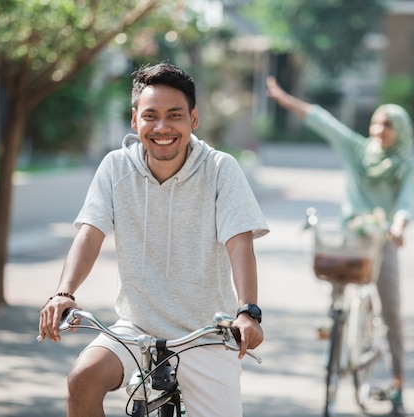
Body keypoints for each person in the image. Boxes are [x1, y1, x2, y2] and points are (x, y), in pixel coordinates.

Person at [38, 63, 270, 417]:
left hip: (206, 335)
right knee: (81, 379)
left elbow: (240, 244)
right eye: (151, 116)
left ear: (194, 119)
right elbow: (90, 233)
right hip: (135, 329)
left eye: (174, 115)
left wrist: (247, 311)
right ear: (135, 121)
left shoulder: (221, 169)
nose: (162, 128)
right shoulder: (116, 167)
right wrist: (63, 292)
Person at [266, 76, 414, 416]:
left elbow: (406, 202)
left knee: (392, 313)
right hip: (351, 239)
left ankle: (397, 384)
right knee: (333, 280)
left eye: (389, 125)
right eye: (377, 122)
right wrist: (283, 97)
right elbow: (322, 120)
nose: (380, 129)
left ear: (401, 131)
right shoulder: (357, 150)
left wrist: (398, 225)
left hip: (383, 241)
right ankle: (335, 325)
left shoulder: (406, 166)